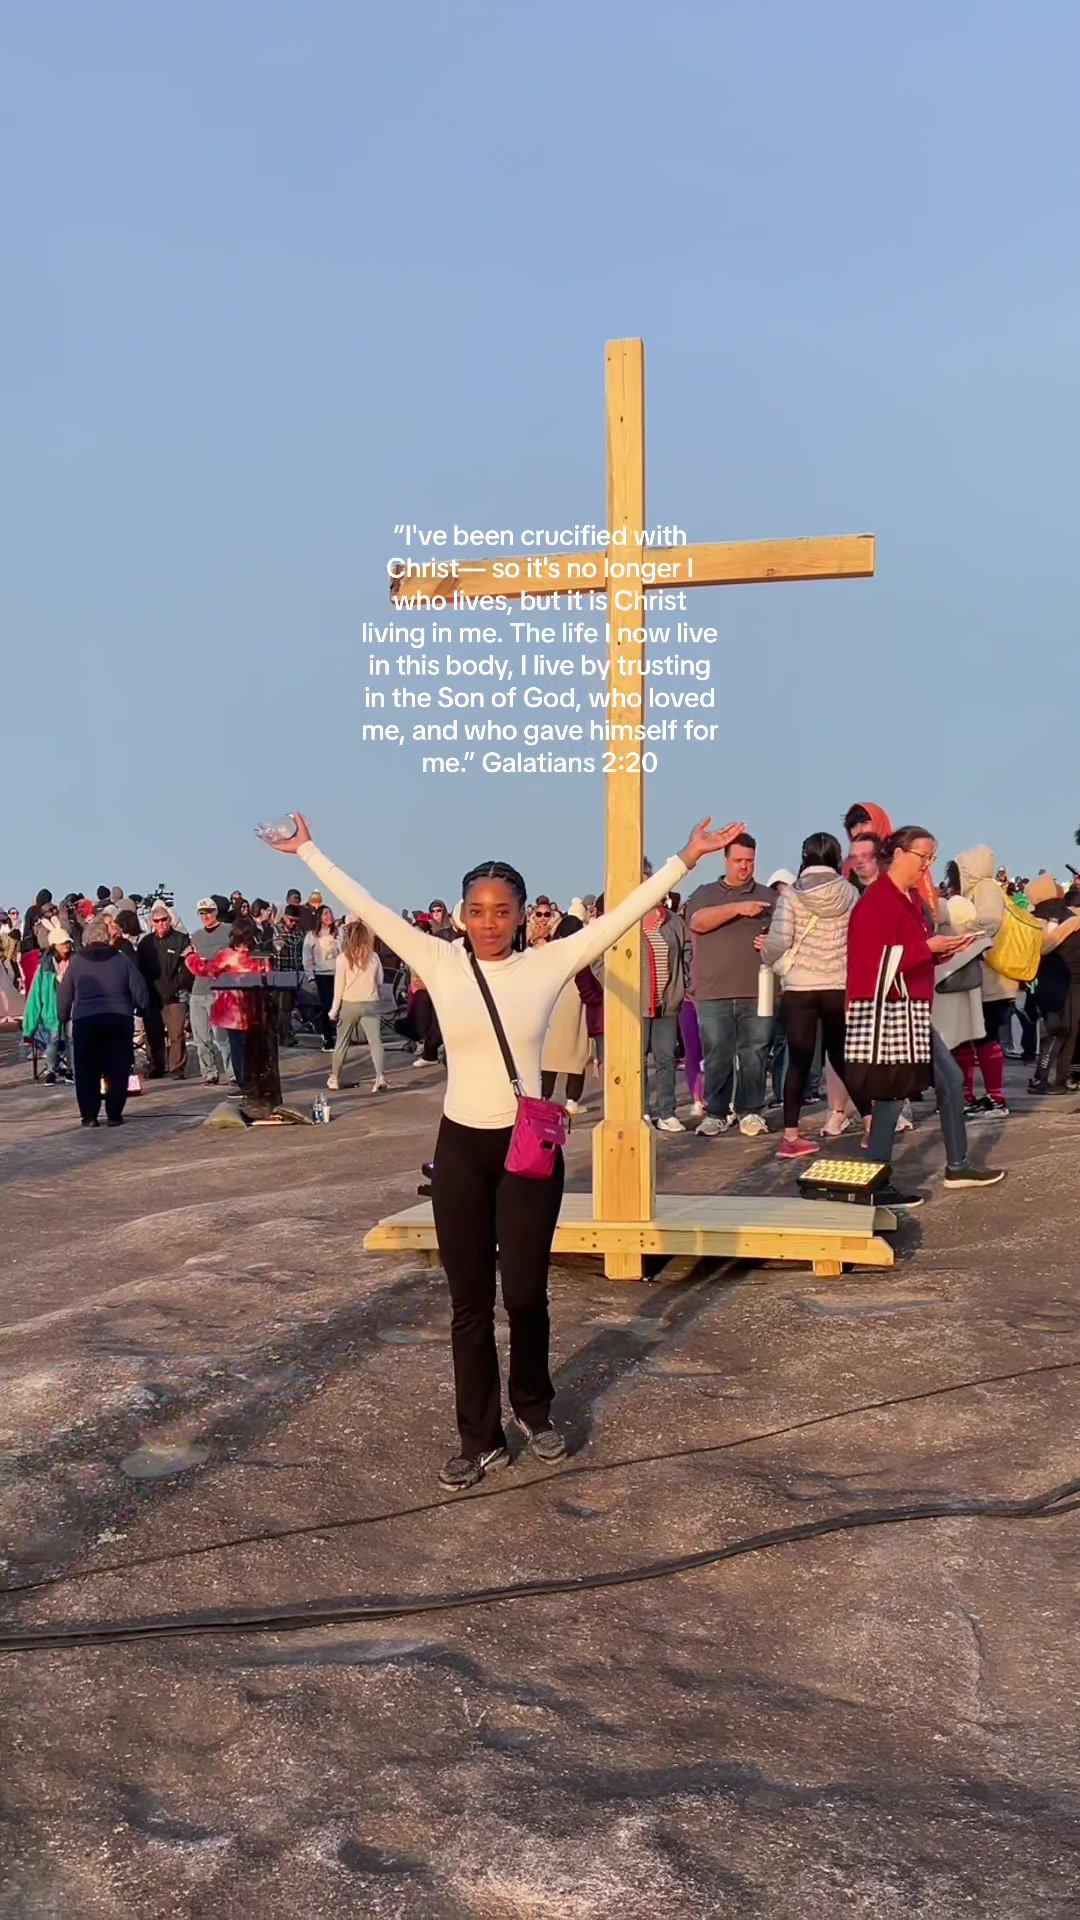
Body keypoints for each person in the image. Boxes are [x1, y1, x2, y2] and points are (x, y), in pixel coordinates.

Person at [265, 808, 745, 1489]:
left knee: (523, 1294)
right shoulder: (438, 958)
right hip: (461, 1150)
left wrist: (687, 857)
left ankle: (534, 1409)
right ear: (461, 914)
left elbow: (621, 917)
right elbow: (366, 905)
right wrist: (310, 852)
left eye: (501, 911)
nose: (488, 923)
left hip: (528, 1153)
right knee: (468, 1305)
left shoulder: (547, 964)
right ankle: (479, 1438)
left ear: (522, 916)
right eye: (477, 910)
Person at [845, 827, 1005, 1208]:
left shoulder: (907, 898)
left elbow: (905, 952)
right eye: (924, 857)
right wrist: (928, 948)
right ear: (900, 854)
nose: (927, 865)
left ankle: (956, 1165)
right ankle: (878, 1181)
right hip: (890, 1010)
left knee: (945, 1080)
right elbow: (874, 957)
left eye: (931, 858)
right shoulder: (878, 900)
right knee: (892, 1092)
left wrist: (943, 950)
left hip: (909, 1009)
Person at [760, 833, 869, 1157]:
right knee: (843, 1057)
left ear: (805, 857)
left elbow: (779, 941)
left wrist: (767, 956)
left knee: (799, 1060)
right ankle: (871, 1123)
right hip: (838, 984)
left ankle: (791, 1137)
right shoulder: (850, 892)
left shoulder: (792, 894)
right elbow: (859, 938)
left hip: (800, 987)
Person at [686, 831, 774, 1138]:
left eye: (749, 861)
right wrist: (739, 908)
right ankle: (717, 1113)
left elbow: (788, 935)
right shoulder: (705, 894)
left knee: (755, 1054)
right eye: (738, 860)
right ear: (725, 860)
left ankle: (751, 1112)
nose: (744, 866)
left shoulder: (769, 896)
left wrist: (772, 943)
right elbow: (697, 922)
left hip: (758, 991)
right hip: (714, 991)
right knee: (717, 1055)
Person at [57, 916, 149, 1127]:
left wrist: (63, 1017)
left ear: (87, 939)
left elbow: (64, 994)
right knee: (117, 1068)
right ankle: (114, 1114)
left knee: (86, 1070)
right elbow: (139, 989)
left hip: (86, 1021)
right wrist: (142, 1009)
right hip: (119, 1019)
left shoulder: (76, 962)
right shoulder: (121, 959)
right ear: (107, 938)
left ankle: (89, 1116)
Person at [953, 846, 1019, 1118]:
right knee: (971, 1038)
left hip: (991, 981)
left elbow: (988, 923)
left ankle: (994, 1099)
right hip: (986, 980)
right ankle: (970, 1097)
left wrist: (957, 931)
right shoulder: (982, 889)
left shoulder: (986, 888)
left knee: (982, 1038)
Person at [183, 916, 269, 1086]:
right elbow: (268, 978)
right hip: (256, 1010)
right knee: (254, 1048)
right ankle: (256, 1081)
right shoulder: (260, 957)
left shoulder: (228, 956)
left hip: (233, 1013)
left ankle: (243, 1083)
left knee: (237, 1048)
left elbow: (204, 969)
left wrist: (190, 956)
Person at [1026, 875, 1080, 1091]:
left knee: (1056, 1030)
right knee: (1066, 1031)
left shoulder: (1033, 918)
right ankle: (1054, 1079)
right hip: (1071, 980)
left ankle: (1045, 1078)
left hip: (1047, 980)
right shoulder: (1067, 915)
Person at [641, 894, 688, 1130]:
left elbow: (688, 952)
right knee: (637, 1060)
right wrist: (613, 989)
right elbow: (601, 960)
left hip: (667, 1001)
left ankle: (667, 1112)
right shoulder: (627, 920)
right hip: (634, 1003)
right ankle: (640, 1111)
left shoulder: (673, 921)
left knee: (666, 1058)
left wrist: (683, 984)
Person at [326, 917, 388, 1093]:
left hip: (349, 1003)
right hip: (370, 1003)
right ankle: (380, 1077)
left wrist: (333, 1010)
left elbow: (339, 987)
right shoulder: (374, 957)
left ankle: (334, 1078)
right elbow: (380, 981)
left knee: (342, 1042)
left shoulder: (342, 959)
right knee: (375, 1042)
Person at [540, 916, 589, 1113]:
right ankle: (572, 1100)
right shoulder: (583, 952)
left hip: (551, 1009)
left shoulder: (551, 952)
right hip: (576, 1007)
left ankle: (544, 1096)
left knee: (549, 1056)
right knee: (577, 1053)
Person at [138, 901, 192, 1079]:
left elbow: (187, 970)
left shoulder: (181, 939)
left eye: (164, 920)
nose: (161, 924)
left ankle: (177, 1068)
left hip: (175, 996)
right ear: (151, 922)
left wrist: (175, 987)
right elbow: (140, 970)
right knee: (154, 1035)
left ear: (170, 920)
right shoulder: (145, 943)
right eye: (157, 921)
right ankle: (156, 1066)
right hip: (153, 997)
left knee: (176, 1035)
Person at [188, 898, 233, 1083]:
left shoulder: (228, 930)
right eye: (202, 913)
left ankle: (233, 1073)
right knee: (201, 1038)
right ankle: (209, 1073)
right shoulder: (196, 936)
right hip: (198, 990)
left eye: (208, 912)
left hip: (219, 990)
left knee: (223, 1038)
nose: (205, 916)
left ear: (215, 912)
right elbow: (192, 961)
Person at [23, 924, 74, 1081]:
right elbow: (35, 995)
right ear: (54, 945)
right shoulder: (44, 968)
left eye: (67, 942)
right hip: (52, 1009)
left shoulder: (76, 961)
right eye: (62, 943)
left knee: (71, 1039)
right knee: (53, 1040)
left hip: (72, 1007)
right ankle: (50, 1070)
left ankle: (71, 1070)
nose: (66, 946)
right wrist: (28, 1028)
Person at [303, 903, 341, 1051]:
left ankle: (340, 1036)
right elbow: (307, 958)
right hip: (322, 974)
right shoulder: (312, 936)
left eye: (330, 913)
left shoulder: (339, 933)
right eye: (325, 914)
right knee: (327, 1006)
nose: (328, 916)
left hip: (338, 974)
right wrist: (310, 977)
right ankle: (328, 1038)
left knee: (339, 1005)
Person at [274, 903, 306, 1045]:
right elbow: (276, 947)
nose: (293, 924)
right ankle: (283, 1035)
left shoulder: (299, 932)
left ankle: (286, 1033)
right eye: (291, 920)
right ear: (285, 917)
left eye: (296, 921)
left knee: (288, 1006)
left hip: (294, 973)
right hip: (280, 972)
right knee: (282, 1007)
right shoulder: (276, 930)